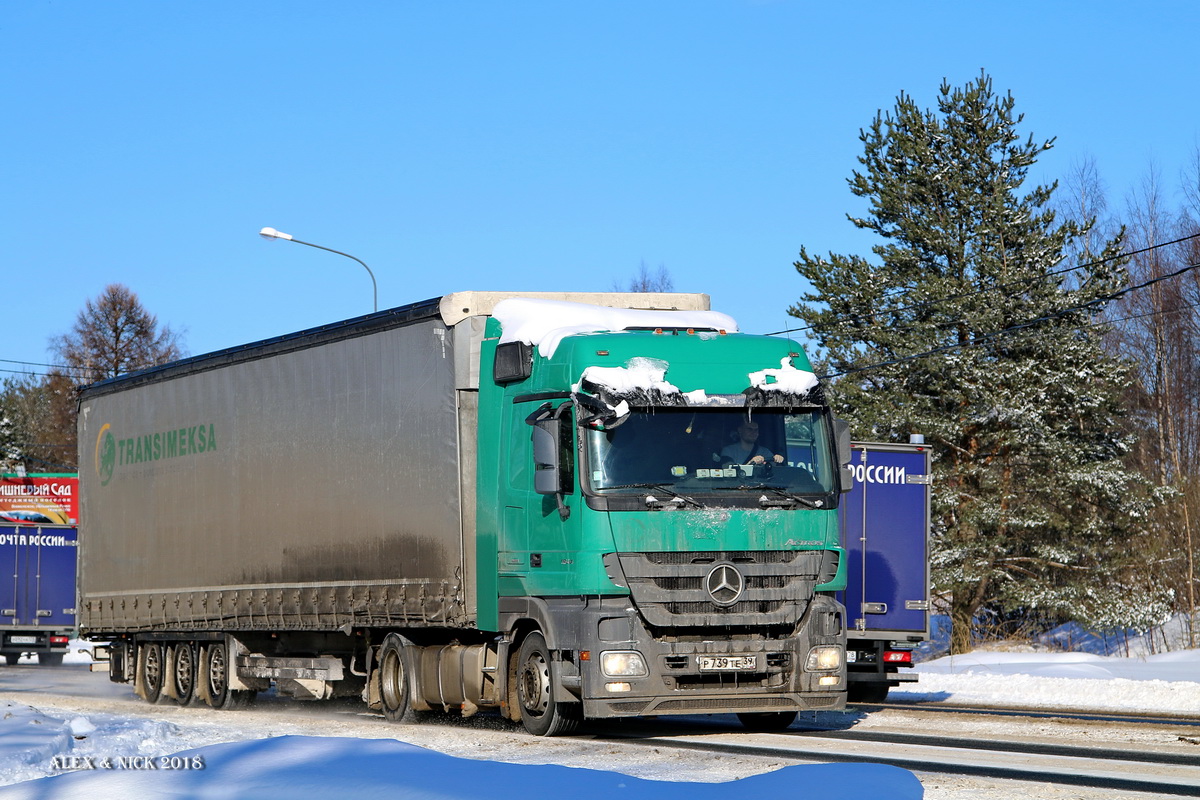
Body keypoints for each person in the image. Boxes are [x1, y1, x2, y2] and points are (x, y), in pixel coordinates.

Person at [719, 421, 785, 466]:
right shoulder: (728, 451)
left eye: (756, 430)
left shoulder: (765, 452)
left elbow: (774, 469)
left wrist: (777, 460)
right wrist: (751, 463)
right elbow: (728, 470)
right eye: (749, 429)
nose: (754, 433)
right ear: (740, 430)